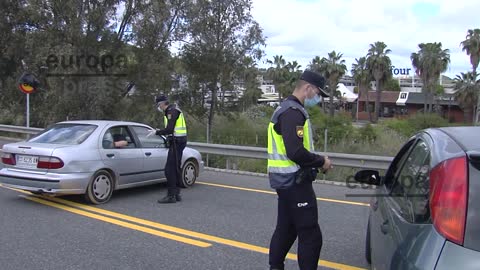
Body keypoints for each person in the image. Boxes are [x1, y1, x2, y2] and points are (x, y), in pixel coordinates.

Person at [267, 70, 333, 270]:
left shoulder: (285, 109)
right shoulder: (293, 113)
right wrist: (321, 161)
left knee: (286, 230)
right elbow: (295, 151)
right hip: (294, 182)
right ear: (308, 88)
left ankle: (275, 267)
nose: (318, 98)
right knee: (311, 235)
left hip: (285, 181)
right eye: (318, 93)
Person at [151, 95, 188, 204]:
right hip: (179, 141)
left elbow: (170, 129)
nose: (158, 107)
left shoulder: (171, 111)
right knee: (176, 168)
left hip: (177, 142)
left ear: (162, 103)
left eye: (158, 105)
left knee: (169, 169)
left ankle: (171, 196)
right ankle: (176, 194)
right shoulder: (174, 109)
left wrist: (157, 132)